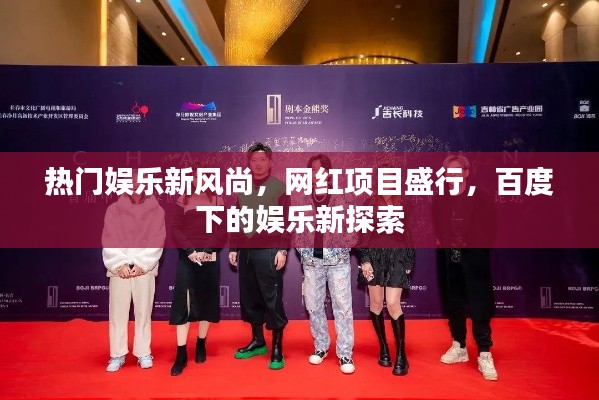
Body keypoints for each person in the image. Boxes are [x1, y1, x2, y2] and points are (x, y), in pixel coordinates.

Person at [432, 154, 498, 381]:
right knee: (454, 302)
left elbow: (491, 226)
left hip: (475, 259)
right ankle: (459, 345)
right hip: (451, 258)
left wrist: (478, 249)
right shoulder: (440, 198)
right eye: (448, 172)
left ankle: (484, 352)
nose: (452, 176)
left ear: (466, 173)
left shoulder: (481, 196)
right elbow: (438, 226)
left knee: (480, 304)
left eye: (457, 171)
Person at [228, 143, 291, 370]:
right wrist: (233, 247)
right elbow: (236, 218)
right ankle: (258, 341)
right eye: (254, 160)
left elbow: (287, 220)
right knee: (250, 297)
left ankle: (277, 347)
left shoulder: (279, 187)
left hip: (270, 250)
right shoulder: (242, 188)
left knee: (272, 299)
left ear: (270, 162)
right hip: (246, 251)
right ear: (249, 163)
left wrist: (283, 249)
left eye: (262, 159)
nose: (258, 164)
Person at [294, 154, 357, 374]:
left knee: (343, 307)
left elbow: (353, 226)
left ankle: (345, 353)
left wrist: (341, 248)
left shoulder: (343, 195)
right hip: (312, 263)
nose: (316, 174)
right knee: (314, 306)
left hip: (338, 262)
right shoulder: (302, 198)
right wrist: (304, 252)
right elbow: (298, 229)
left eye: (320, 169)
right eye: (313, 170)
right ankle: (321, 347)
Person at [102, 169, 166, 372]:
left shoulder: (157, 211)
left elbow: (157, 239)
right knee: (117, 313)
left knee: (143, 312)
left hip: (144, 270)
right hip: (119, 270)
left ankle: (143, 352)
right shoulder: (113, 209)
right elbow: (109, 238)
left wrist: (141, 264)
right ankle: (117, 354)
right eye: (131, 181)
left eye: (140, 181)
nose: (136, 185)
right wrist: (119, 264)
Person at [169, 172, 227, 376]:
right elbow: (175, 228)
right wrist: (190, 251)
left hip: (209, 256)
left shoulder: (218, 200)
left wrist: (208, 250)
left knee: (206, 301)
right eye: (195, 177)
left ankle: (201, 343)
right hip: (188, 256)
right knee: (183, 304)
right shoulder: (183, 199)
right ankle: (181, 353)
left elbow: (222, 229)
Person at [356, 185, 415, 376]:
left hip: (397, 255)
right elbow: (363, 233)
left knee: (392, 303)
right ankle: (383, 346)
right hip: (374, 257)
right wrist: (365, 260)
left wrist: (409, 260)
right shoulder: (369, 203)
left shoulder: (404, 203)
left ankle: (401, 354)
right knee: (375, 303)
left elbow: (409, 232)